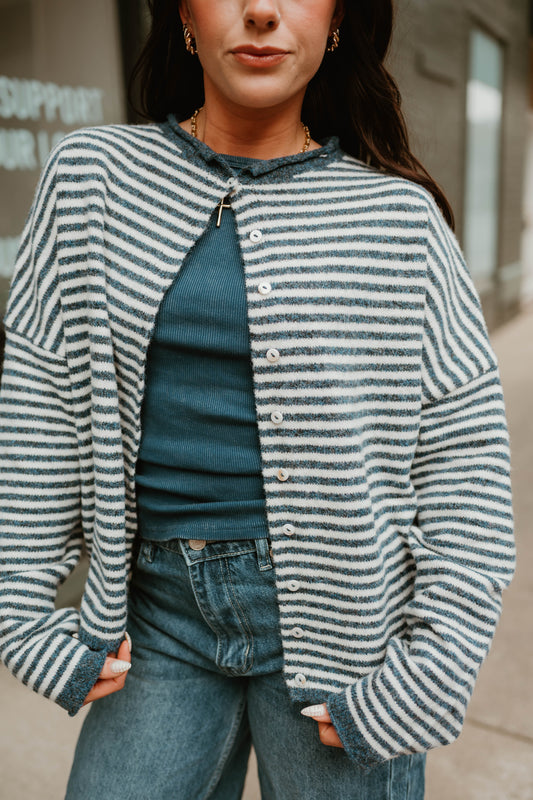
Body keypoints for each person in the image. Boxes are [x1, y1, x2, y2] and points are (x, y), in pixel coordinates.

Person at [0, 1, 516, 798]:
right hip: (154, 621)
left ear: (339, 20)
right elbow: (38, 404)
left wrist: (434, 666)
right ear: (183, 13)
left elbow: (465, 463)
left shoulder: (399, 222)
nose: (262, 11)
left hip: (351, 634)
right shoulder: (91, 178)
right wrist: (22, 609)